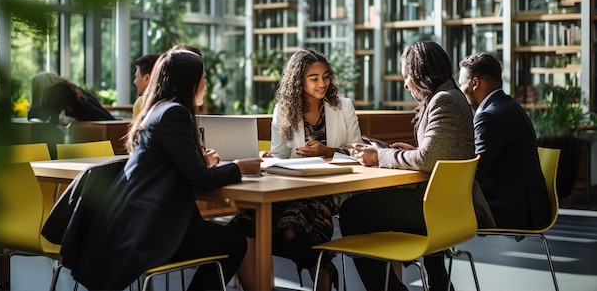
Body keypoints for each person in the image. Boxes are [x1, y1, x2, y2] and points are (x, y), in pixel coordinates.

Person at [60, 48, 262, 290]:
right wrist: (239, 167)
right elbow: (201, 181)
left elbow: (172, 166)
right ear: (188, 81)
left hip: (138, 222)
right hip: (150, 230)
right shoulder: (175, 113)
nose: (206, 85)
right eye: (203, 78)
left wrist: (203, 162)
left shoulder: (159, 110)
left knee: (228, 238)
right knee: (235, 241)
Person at [342, 41, 495, 291]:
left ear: (421, 75)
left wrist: (380, 156)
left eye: (407, 77)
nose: (405, 84)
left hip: (439, 207)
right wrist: (406, 151)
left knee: (352, 211)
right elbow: (439, 154)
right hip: (449, 206)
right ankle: (438, 283)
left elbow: (427, 160)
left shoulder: (444, 101)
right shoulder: (449, 97)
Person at [230, 47, 362, 291]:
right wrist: (267, 157)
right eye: (314, 78)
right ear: (298, 81)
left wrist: (327, 151)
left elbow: (358, 153)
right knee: (241, 225)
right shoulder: (284, 111)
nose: (322, 83)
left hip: (328, 190)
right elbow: (279, 155)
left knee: (291, 230)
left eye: (326, 76)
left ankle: (319, 268)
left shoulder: (343, 107)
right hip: (290, 189)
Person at [458, 52, 549, 229]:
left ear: (475, 83)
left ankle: (433, 252)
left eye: (462, 85)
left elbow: (474, 172)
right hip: (527, 204)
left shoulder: (490, 116)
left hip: (513, 208)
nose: (461, 91)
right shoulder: (508, 105)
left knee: (430, 207)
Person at [28, 71, 115, 123]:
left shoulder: (55, 91)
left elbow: (46, 115)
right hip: (107, 124)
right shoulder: (69, 88)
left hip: (99, 128)